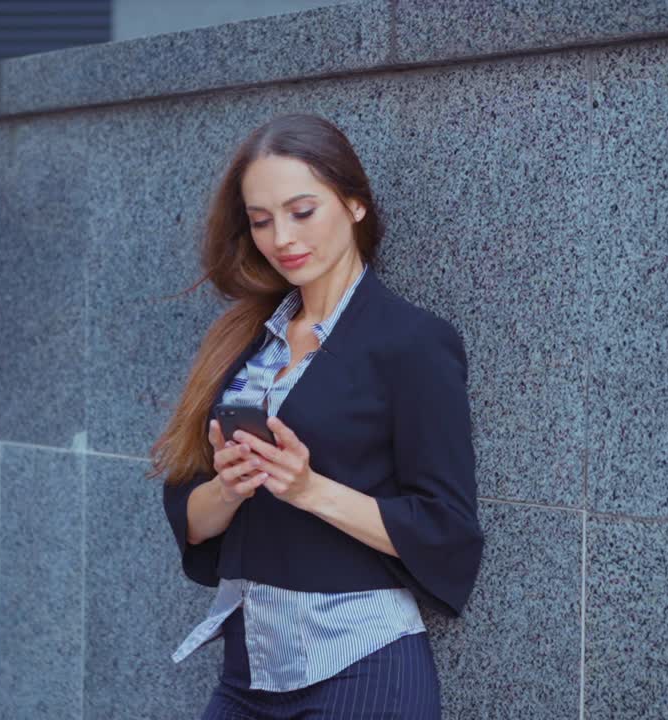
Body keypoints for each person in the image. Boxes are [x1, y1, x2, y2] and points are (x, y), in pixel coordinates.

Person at [147, 112, 484, 719]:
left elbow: (447, 528)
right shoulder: (247, 340)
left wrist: (306, 488)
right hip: (248, 667)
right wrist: (230, 488)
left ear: (354, 204)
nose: (281, 237)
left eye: (302, 212)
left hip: (361, 665)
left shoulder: (412, 341)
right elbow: (188, 517)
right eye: (261, 221)